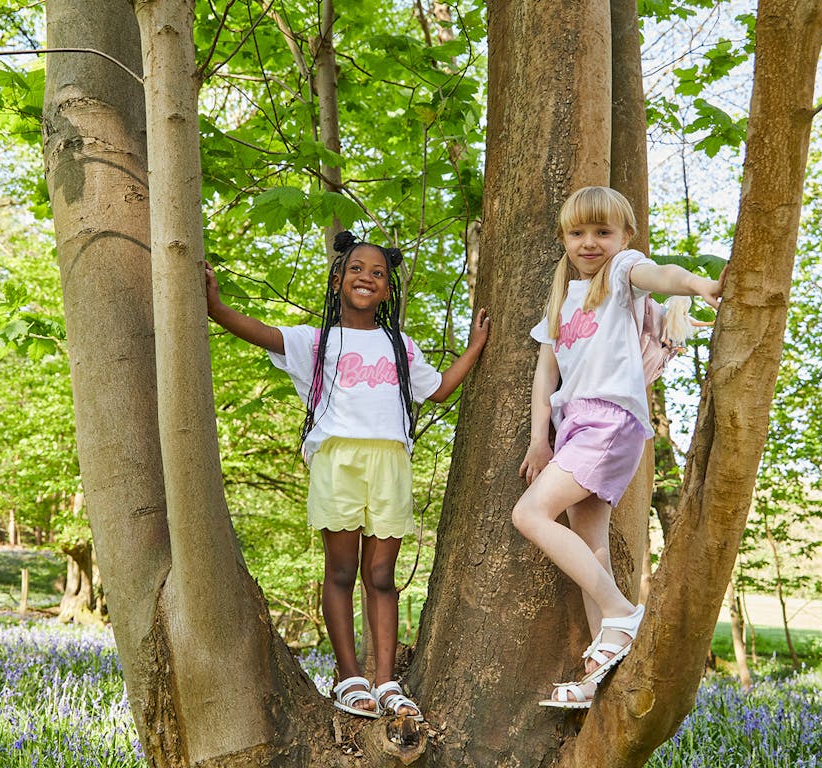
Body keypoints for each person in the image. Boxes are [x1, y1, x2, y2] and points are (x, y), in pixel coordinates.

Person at [205, 231, 490, 720]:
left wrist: (477, 345)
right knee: (340, 571)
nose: (367, 278)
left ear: (387, 289)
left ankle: (386, 683)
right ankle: (350, 678)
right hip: (338, 462)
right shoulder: (314, 341)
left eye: (378, 273)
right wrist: (214, 305)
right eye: (357, 269)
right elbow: (258, 331)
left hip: (390, 464)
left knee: (380, 575)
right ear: (337, 279)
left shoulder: (400, 346)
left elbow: (440, 390)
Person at [514, 186, 725, 709]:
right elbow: (546, 374)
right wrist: (541, 440)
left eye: (602, 232)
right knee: (592, 549)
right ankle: (598, 670)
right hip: (576, 429)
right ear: (564, 238)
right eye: (577, 233)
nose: (589, 243)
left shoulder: (622, 273)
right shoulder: (561, 302)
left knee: (530, 513)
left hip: (609, 421)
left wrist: (700, 284)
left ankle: (622, 614)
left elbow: (663, 277)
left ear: (625, 238)